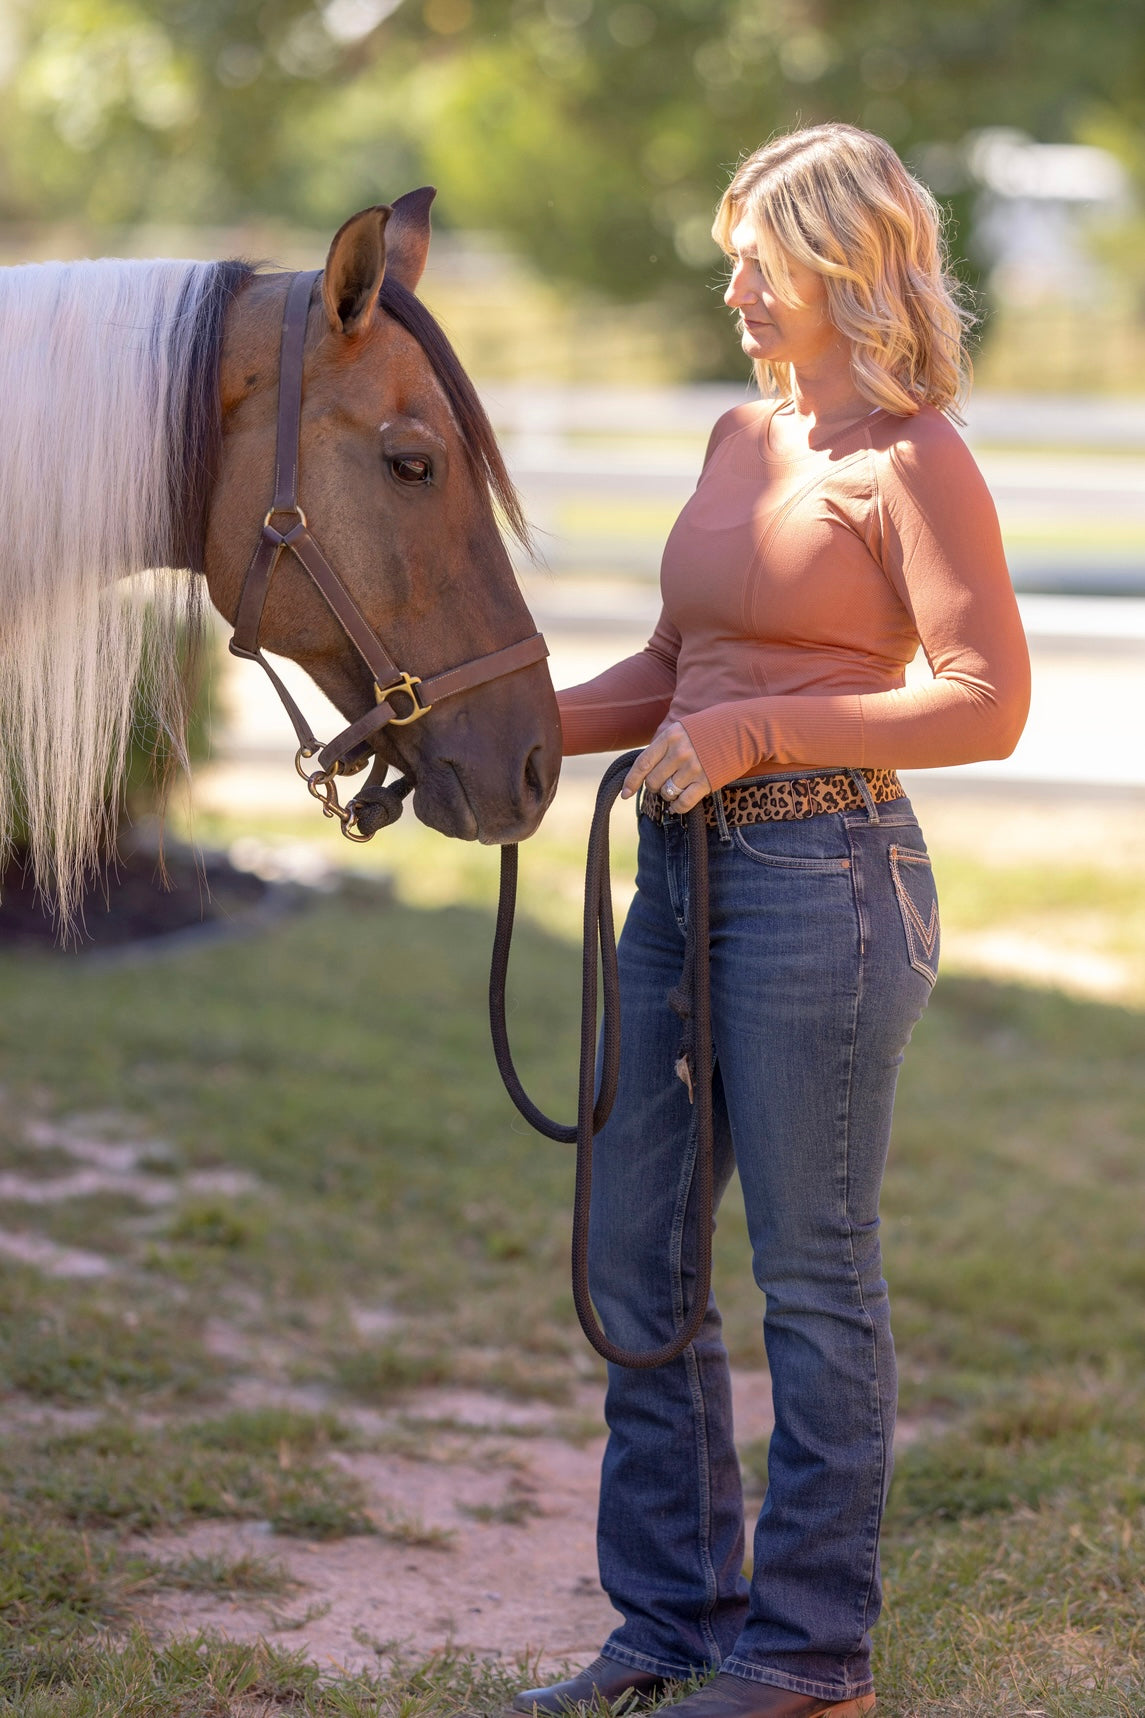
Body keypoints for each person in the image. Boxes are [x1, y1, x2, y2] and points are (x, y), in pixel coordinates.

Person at [512, 124, 1030, 1718]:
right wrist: (499, 727)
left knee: (811, 1272)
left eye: (759, 262)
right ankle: (670, 1620)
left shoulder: (914, 459)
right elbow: (675, 670)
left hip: (827, 880)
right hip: (676, 875)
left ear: (843, 265)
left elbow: (985, 699)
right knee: (635, 1253)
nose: (733, 289)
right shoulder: (739, 437)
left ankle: (806, 1650)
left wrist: (753, 734)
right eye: (730, 260)